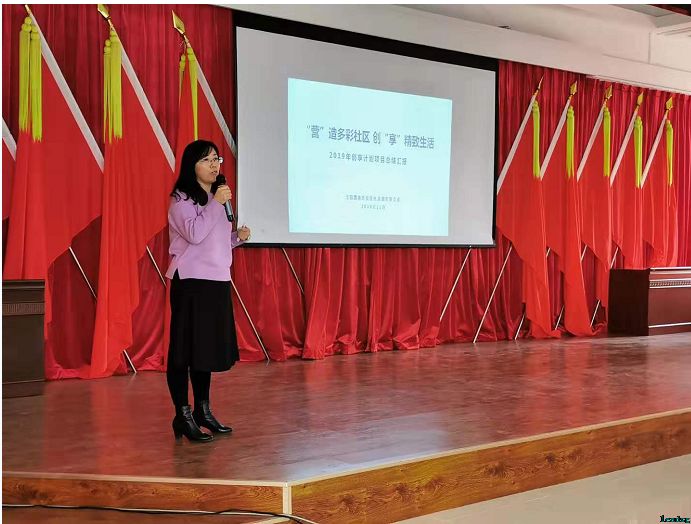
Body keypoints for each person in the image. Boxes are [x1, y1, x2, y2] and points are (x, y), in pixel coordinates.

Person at [165, 139, 251, 442]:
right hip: (191, 282)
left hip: (217, 281)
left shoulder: (216, 199)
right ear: (193, 166)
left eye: (217, 159)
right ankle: (183, 414)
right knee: (183, 351)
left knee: (204, 351)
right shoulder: (181, 201)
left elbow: (215, 242)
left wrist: (237, 238)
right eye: (207, 160)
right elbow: (195, 234)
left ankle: (203, 411)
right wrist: (215, 203)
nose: (214, 165)